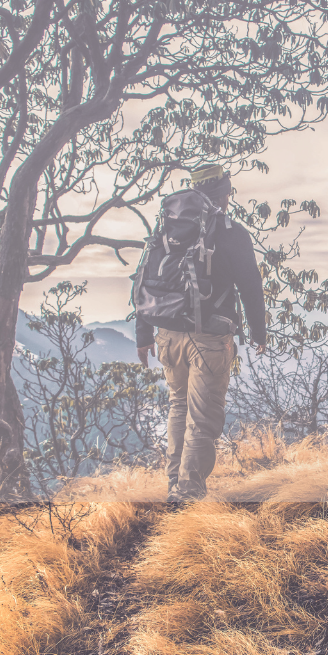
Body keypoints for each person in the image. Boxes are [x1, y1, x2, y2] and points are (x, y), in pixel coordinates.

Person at [135, 165, 268, 502]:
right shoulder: (230, 231)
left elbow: (143, 279)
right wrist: (258, 331)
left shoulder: (166, 230)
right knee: (203, 416)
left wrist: (144, 334)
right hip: (209, 338)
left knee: (178, 406)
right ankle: (188, 494)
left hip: (167, 334)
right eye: (228, 191)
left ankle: (174, 486)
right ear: (223, 193)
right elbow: (251, 285)